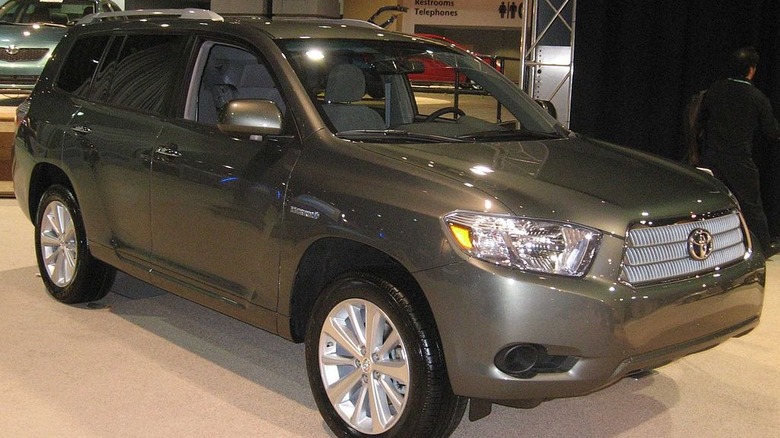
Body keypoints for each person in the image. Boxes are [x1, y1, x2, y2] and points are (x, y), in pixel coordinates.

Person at [700, 46, 780, 257]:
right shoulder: (756, 96)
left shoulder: (715, 89)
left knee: (711, 207)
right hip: (739, 161)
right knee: (752, 207)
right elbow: (771, 133)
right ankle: (763, 246)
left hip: (711, 158)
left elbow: (699, 120)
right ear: (751, 70)